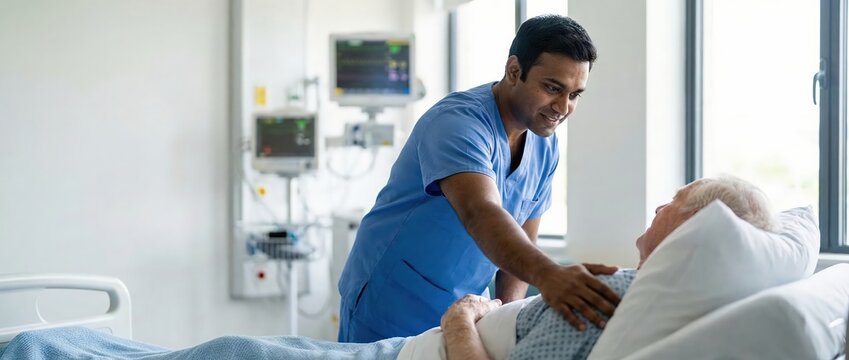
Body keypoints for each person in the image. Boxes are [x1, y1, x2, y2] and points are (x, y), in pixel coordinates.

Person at [1, 176, 780, 360]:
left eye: (671, 206)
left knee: (232, 353)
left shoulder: (617, 307)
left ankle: (36, 349)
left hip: (419, 343)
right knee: (236, 350)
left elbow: (492, 217)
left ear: (692, 228)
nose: (654, 212)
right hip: (390, 347)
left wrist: (463, 314)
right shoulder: (624, 293)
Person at [338, 14, 621, 343]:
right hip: (390, 302)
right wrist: (549, 275)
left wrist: (512, 327)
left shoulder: (545, 146)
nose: (563, 107)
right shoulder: (458, 123)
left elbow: (522, 245)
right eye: (553, 88)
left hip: (462, 310)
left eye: (575, 95)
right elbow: (481, 212)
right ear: (514, 71)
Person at [438, 175, 781, 360]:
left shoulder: (607, 294)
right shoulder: (673, 303)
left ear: (693, 224)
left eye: (677, 199)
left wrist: (459, 320)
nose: (661, 206)